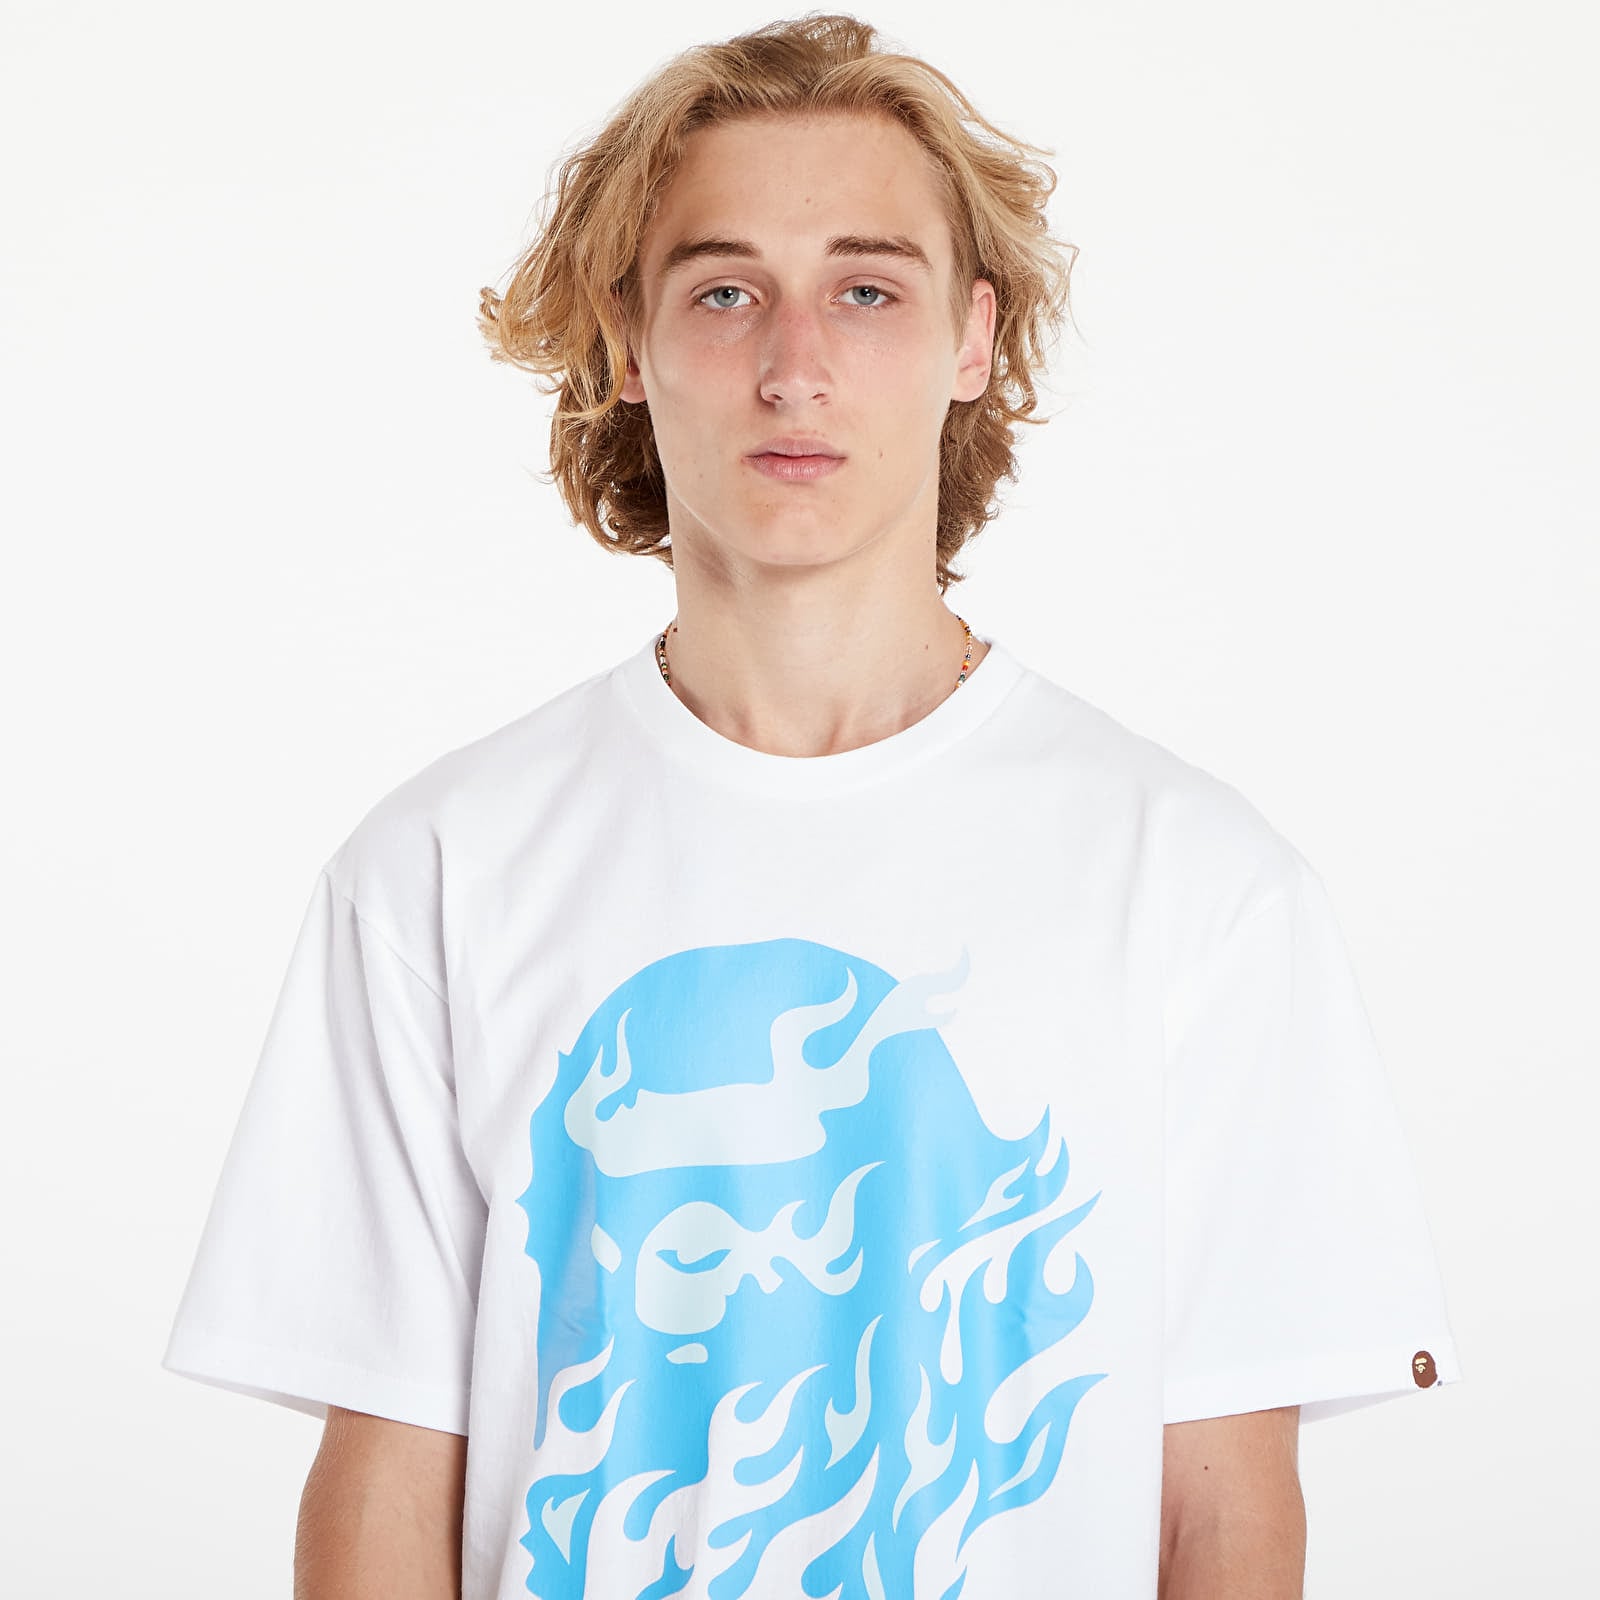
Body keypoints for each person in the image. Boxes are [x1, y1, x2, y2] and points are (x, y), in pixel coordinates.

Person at [161, 13, 1462, 1598]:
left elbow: (1226, 1516)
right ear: (628, 342)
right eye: (724, 292)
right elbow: (383, 1493)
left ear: (972, 339)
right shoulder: (437, 873)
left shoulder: (1196, 885)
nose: (794, 366)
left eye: (866, 290)